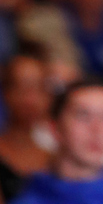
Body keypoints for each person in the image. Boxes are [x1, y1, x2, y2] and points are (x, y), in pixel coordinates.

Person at [0, 54, 56, 201]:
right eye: (22, 88)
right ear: (6, 93)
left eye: (39, 88)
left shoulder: (54, 157)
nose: (31, 100)